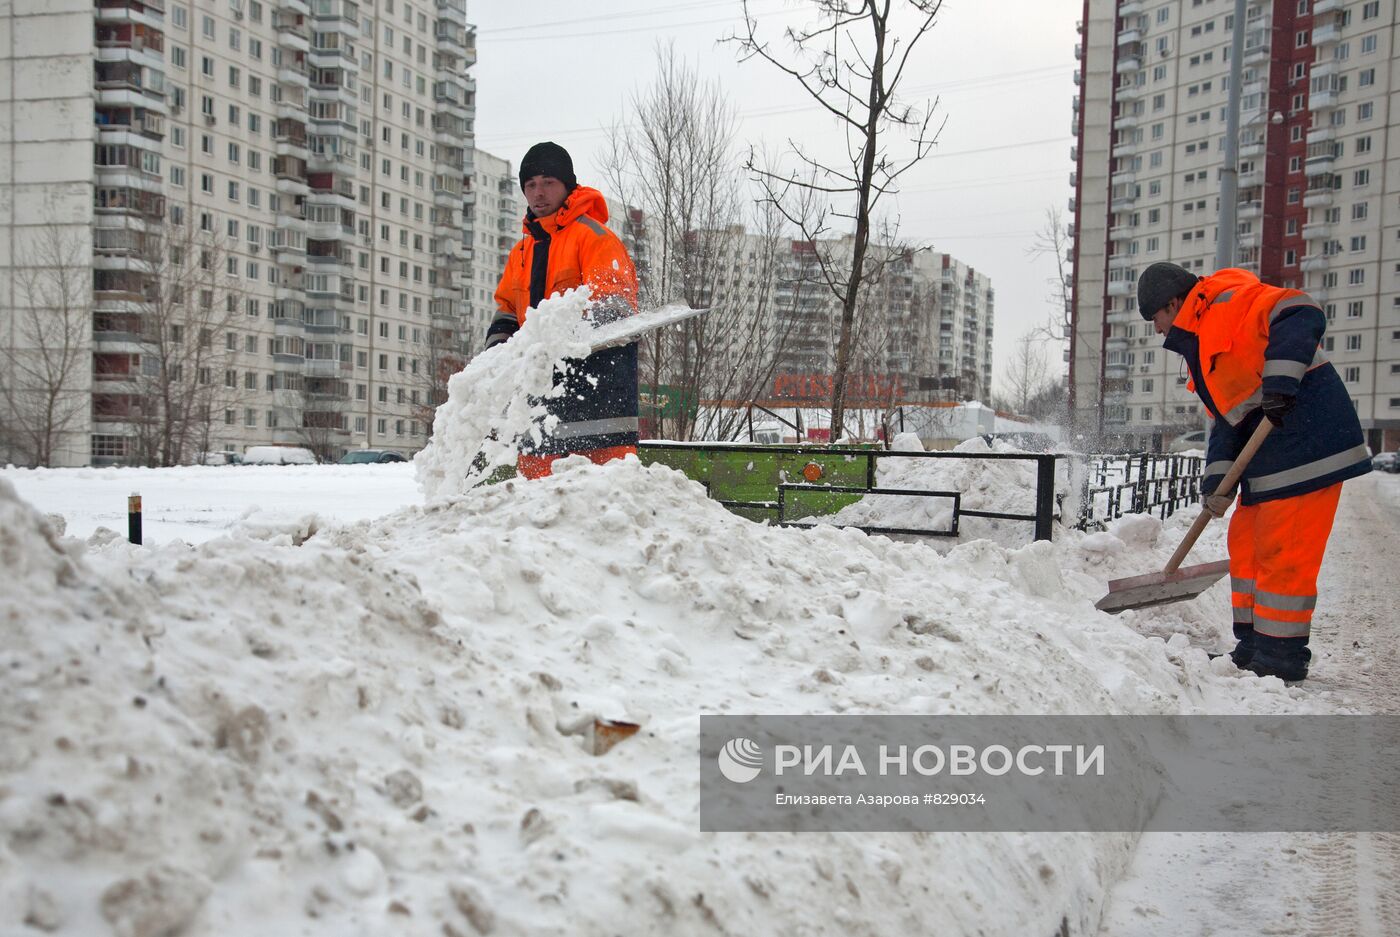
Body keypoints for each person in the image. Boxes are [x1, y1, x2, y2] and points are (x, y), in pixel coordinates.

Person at [1137, 262, 1371, 682]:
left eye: (1155, 318)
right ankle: (1255, 644)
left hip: (1307, 442)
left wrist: (1281, 382)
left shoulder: (1227, 301)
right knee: (1246, 540)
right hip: (1272, 454)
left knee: (1284, 548)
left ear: (1172, 304)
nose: (1157, 330)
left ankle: (1282, 655)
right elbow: (1230, 420)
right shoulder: (1202, 348)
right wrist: (1217, 483)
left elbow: (1300, 311)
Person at [485, 141, 639, 479]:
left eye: (548, 182)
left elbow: (615, 305)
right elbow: (508, 308)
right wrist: (498, 352)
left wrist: (560, 336)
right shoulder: (521, 252)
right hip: (539, 398)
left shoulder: (594, 238)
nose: (539, 193)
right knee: (539, 503)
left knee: (604, 500)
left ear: (567, 185)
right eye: (530, 185)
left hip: (597, 398)